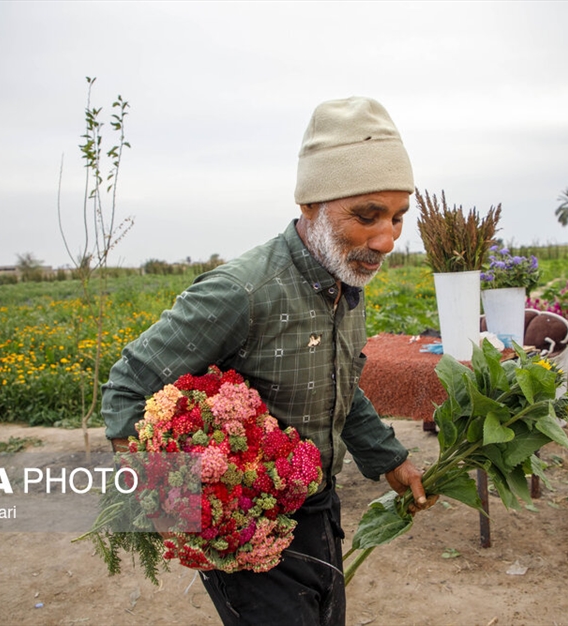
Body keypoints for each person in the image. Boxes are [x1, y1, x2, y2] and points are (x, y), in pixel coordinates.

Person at [102, 96, 432, 626]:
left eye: (397, 217)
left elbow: (341, 381)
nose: (388, 238)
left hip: (318, 508)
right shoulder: (242, 292)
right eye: (367, 216)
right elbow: (130, 384)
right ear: (310, 205)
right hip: (248, 525)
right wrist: (171, 498)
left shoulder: (345, 276)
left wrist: (387, 457)